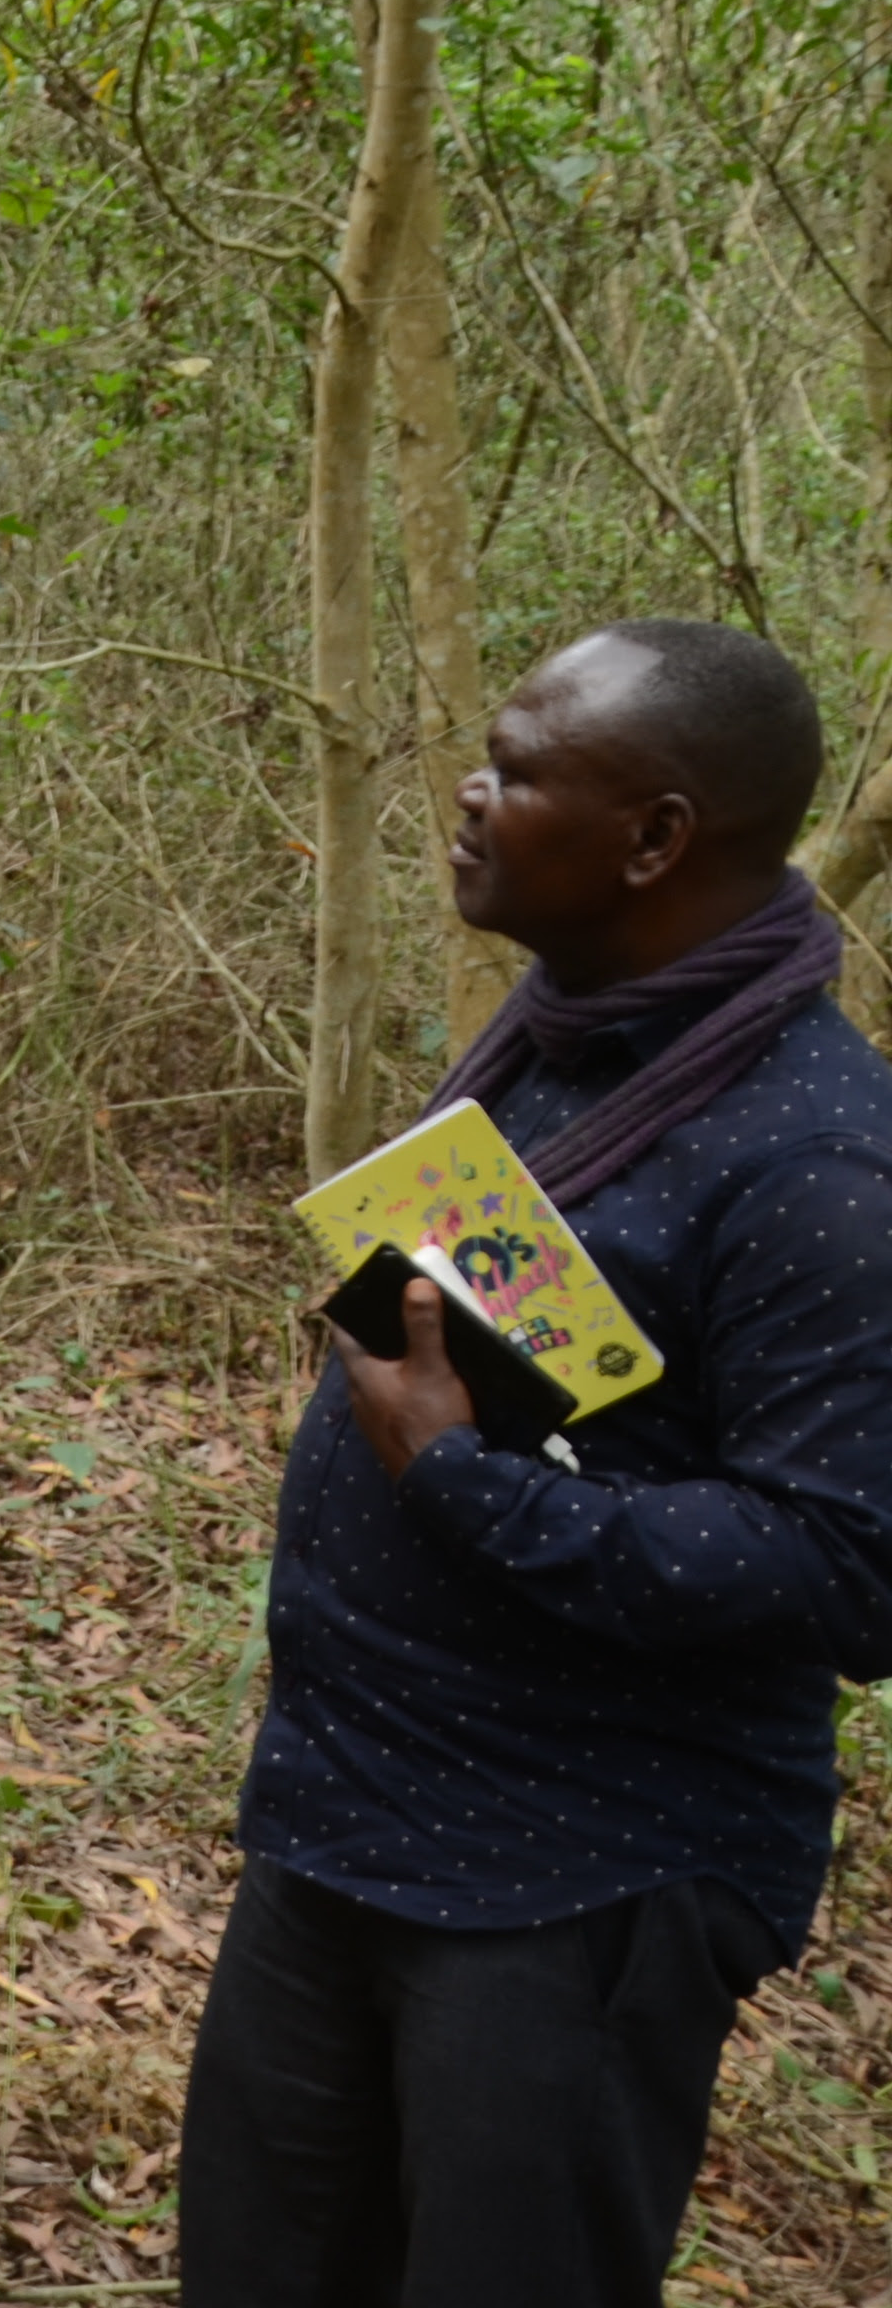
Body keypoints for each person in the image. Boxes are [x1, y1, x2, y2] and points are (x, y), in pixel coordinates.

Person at [178, 624, 892, 2308]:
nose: (464, 791)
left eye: (510, 767)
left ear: (651, 835)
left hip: (574, 1876)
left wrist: (459, 1479)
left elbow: (847, 1569)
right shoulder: (559, 1039)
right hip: (343, 1813)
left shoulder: (816, 1156)